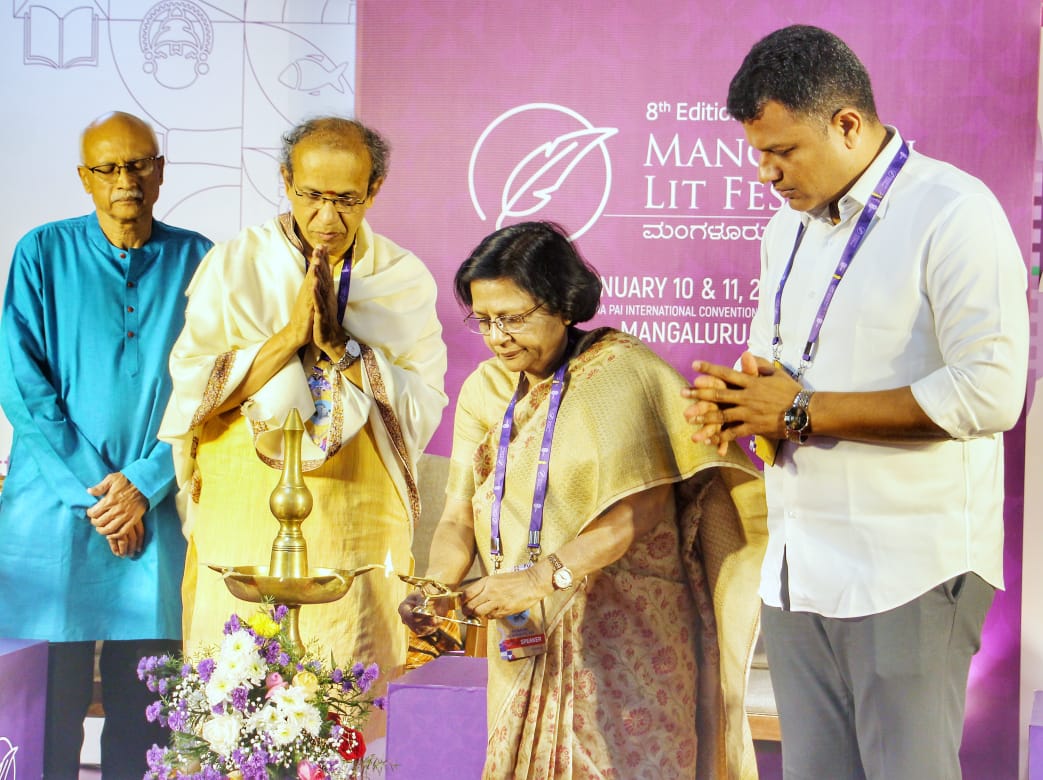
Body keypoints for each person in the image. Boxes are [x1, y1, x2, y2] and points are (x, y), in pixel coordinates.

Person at [683, 26, 1030, 780]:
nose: (767, 174)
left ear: (846, 123)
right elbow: (775, 366)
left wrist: (800, 412)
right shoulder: (785, 229)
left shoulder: (951, 211)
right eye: (758, 154)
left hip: (908, 566)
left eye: (783, 151)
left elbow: (989, 391)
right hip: (799, 563)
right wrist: (738, 405)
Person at [399, 221, 768, 779]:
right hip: (526, 632)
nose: (497, 336)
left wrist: (539, 577)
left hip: (625, 636)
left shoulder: (622, 374)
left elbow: (640, 510)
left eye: (513, 318)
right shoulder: (485, 389)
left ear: (563, 304)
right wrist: (436, 588)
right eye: (485, 319)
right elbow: (458, 515)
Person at [159, 117, 447, 717]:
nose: (327, 217)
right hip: (245, 501)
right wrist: (290, 338)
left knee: (348, 686)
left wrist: (345, 349)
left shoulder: (402, 278)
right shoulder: (235, 265)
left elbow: (424, 400)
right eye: (312, 195)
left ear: (374, 190)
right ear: (286, 181)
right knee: (237, 686)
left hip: (356, 511)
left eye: (347, 199)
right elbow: (191, 390)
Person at [0, 111, 212, 778]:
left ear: (160, 170)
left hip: (157, 510)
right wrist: (102, 495)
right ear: (85, 177)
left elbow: (216, 389)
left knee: (146, 709)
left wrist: (144, 483)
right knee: (46, 712)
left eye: (139, 164)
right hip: (55, 513)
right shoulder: (42, 253)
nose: (126, 179)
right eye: (109, 167)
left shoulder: (201, 259)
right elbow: (22, 383)